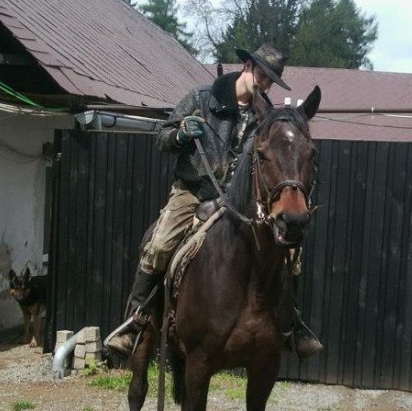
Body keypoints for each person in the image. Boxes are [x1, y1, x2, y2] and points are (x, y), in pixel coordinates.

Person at [105, 44, 322, 358]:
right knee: (160, 245)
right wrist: (180, 134)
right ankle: (134, 322)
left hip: (240, 201)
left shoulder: (265, 116)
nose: (265, 84)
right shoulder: (201, 98)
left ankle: (293, 324)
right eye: (262, 75)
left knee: (290, 252)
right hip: (193, 191)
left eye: (271, 80)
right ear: (247, 66)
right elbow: (162, 139)